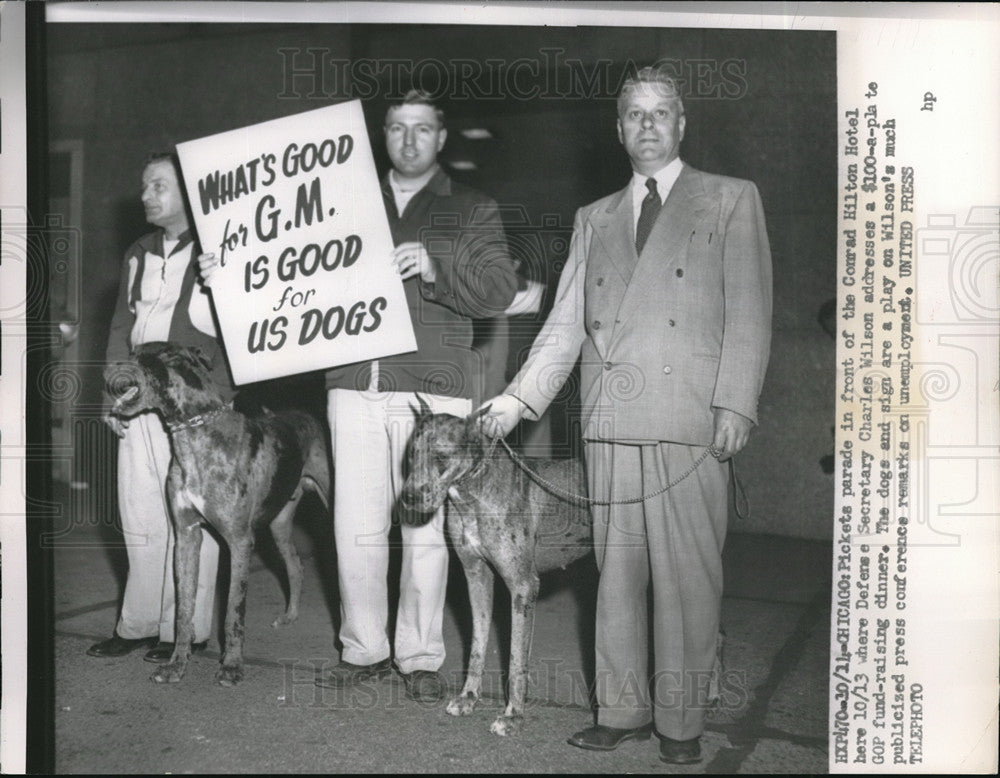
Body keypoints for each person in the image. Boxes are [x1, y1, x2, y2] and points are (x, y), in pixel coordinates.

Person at [480, 67, 772, 764]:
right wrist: (514, 403)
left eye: (661, 113)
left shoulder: (731, 201)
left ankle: (680, 723)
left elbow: (752, 313)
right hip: (611, 419)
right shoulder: (595, 216)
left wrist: (736, 402)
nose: (647, 125)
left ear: (682, 124)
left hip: (689, 416)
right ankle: (621, 710)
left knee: (688, 581)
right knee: (616, 576)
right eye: (634, 115)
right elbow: (563, 327)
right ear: (617, 130)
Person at [199, 91, 517, 701]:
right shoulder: (343, 203)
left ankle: (421, 657)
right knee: (353, 523)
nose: (408, 140)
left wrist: (435, 263)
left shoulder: (472, 207)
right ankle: (364, 648)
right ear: (383, 134)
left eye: (422, 129)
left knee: (424, 528)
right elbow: (286, 271)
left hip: (433, 392)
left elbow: (499, 290)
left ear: (441, 138)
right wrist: (230, 275)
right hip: (351, 383)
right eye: (397, 128)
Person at [89, 152, 231, 663]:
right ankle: (140, 623)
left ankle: (184, 630)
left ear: (190, 193)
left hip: (195, 408)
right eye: (145, 186)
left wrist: (229, 281)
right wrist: (114, 391)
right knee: (140, 511)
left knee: (194, 515)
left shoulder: (221, 250)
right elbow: (120, 329)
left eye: (158, 186)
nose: (146, 195)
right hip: (140, 399)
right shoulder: (138, 252)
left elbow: (246, 329)